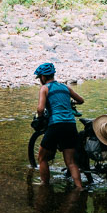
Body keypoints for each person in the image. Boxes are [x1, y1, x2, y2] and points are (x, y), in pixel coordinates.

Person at [34, 62, 86, 190]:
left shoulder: (45, 88)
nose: (40, 80)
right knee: (71, 162)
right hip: (70, 125)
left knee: (42, 157)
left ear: (43, 77)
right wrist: (70, 103)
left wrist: (40, 119)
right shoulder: (65, 87)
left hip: (56, 125)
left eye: (40, 77)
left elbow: (40, 109)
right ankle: (79, 187)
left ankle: (44, 186)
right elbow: (81, 100)